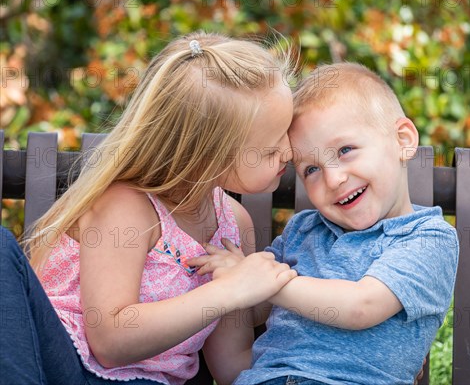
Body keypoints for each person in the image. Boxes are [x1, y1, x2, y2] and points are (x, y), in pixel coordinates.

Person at [0, 32, 299, 385]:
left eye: (288, 132)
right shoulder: (127, 209)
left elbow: (231, 364)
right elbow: (110, 341)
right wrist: (229, 290)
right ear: (206, 157)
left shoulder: (234, 225)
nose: (290, 152)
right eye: (270, 148)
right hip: (61, 364)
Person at [191, 62, 460, 385]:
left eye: (345, 150)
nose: (333, 178)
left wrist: (263, 282)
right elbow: (256, 309)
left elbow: (361, 306)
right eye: (311, 170)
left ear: (403, 139)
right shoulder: (302, 230)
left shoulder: (427, 237)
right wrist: (230, 278)